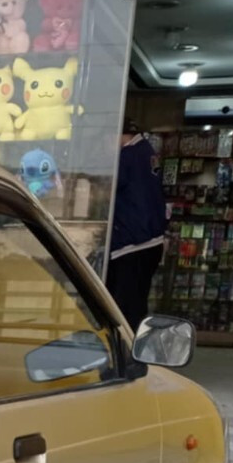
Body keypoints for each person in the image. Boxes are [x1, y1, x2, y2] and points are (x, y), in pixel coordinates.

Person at [106, 120, 169, 334]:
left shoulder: (128, 156)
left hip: (132, 242)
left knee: (122, 308)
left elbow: (105, 187)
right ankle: (135, 347)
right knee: (137, 302)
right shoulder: (147, 152)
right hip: (151, 240)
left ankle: (125, 351)